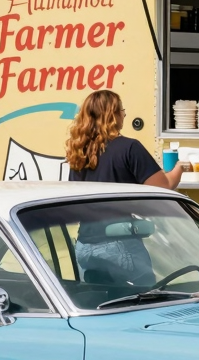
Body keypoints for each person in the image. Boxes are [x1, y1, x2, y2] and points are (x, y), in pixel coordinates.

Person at [66, 90, 182, 287]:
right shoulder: (129, 148)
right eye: (121, 110)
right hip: (119, 243)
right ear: (112, 115)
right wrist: (181, 167)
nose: (125, 115)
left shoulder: (78, 153)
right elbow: (163, 187)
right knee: (146, 298)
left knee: (99, 303)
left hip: (84, 246)